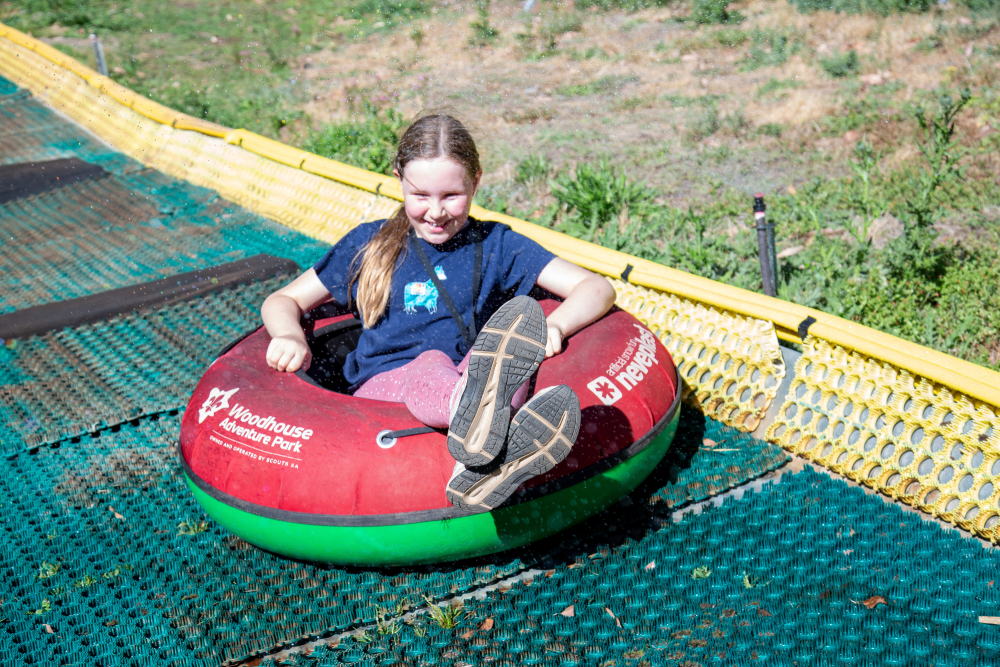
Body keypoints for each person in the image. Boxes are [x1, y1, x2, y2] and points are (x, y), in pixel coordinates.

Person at [260, 114, 616, 510]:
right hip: (386, 389)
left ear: (476, 181)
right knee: (431, 362)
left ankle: (478, 464)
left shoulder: (496, 245)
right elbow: (283, 300)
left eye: (451, 196)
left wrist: (556, 325)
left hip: (469, 375)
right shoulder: (369, 244)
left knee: (512, 345)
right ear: (398, 179)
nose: (435, 211)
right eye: (420, 196)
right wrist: (288, 335)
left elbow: (597, 288)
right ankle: (479, 422)